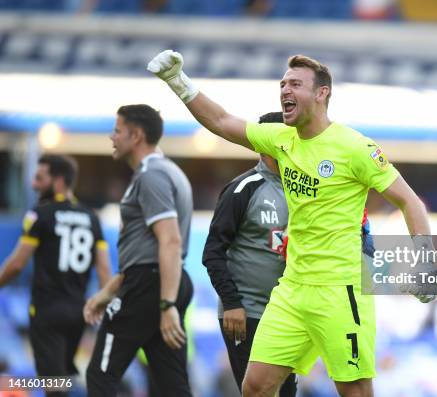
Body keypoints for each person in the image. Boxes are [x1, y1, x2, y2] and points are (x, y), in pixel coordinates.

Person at [149, 50, 434, 397]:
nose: (285, 90)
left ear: (321, 93)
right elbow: (222, 121)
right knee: (254, 387)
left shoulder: (356, 147)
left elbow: (410, 201)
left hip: (340, 291)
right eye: (283, 84)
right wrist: (179, 82)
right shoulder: (282, 139)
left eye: (295, 84)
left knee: (355, 391)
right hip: (292, 290)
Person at [84, 104, 194, 397]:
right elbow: (145, 247)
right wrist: (106, 293)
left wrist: (166, 304)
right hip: (162, 282)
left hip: (150, 286)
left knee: (99, 376)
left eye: (117, 131)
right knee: (172, 386)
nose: (112, 137)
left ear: (136, 136)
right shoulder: (170, 171)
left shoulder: (151, 176)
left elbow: (169, 241)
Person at [0, 154, 111, 396]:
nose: (34, 185)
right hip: (78, 313)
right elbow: (103, 269)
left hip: (47, 311)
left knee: (53, 386)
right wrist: (108, 305)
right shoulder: (92, 218)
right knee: (63, 380)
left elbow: (17, 264)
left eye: (40, 178)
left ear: (59, 181)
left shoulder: (40, 215)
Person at [204, 111, 297, 396]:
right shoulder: (243, 189)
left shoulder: (301, 190)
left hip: (287, 315)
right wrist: (232, 303)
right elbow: (212, 253)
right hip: (247, 313)